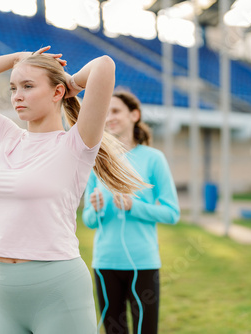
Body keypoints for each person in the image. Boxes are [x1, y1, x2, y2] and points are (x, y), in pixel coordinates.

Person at [0, 46, 145, 334]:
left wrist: (71, 83)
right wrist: (15, 59)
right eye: (13, 88)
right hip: (4, 288)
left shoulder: (76, 144)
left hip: (58, 289)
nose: (17, 96)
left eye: (28, 86)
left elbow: (104, 65)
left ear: (56, 93)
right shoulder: (7, 137)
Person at [82, 90, 180, 334]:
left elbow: (172, 213)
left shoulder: (153, 159)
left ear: (134, 115)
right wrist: (96, 209)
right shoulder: (97, 161)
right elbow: (89, 221)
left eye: (115, 111)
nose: (108, 118)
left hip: (143, 263)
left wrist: (134, 207)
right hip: (105, 263)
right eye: (105, 113)